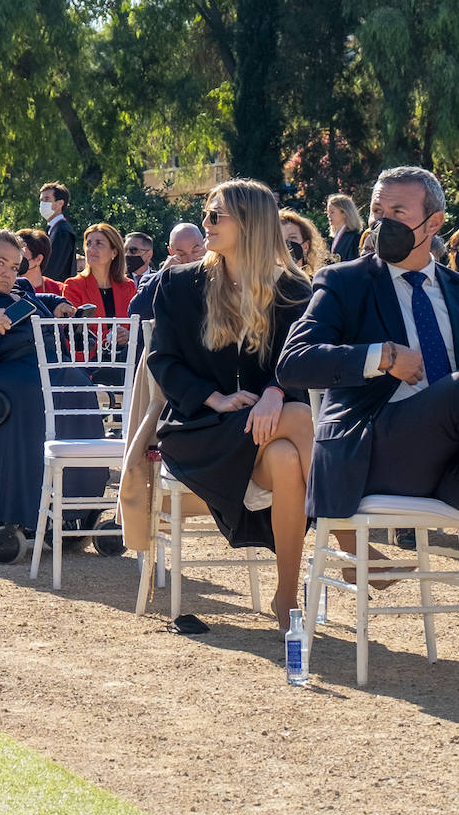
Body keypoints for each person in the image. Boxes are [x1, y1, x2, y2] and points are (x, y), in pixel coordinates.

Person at [277, 165, 459, 641]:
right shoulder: (344, 281)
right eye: (378, 211)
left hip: (454, 463)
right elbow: (294, 364)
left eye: (399, 212)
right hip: (376, 448)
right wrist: (378, 357)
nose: (384, 223)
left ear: (434, 223)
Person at [148, 180, 315, 625]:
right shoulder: (181, 283)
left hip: (263, 431)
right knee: (298, 417)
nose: (206, 223)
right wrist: (215, 398)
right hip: (198, 427)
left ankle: (286, 599)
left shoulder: (293, 290)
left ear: (250, 223)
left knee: (284, 457)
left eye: (215, 215)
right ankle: (348, 531)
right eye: (207, 214)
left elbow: (300, 364)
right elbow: (162, 360)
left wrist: (276, 391)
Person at [0, 229, 107, 544]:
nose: (7, 272)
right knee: (39, 393)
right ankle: (25, 512)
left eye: (14, 265)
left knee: (78, 384)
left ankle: (80, 504)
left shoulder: (20, 287)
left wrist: (58, 302)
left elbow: (38, 298)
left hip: (40, 363)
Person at [127, 223, 205, 321]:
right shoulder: (155, 280)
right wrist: (163, 274)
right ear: (171, 252)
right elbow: (136, 312)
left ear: (205, 245)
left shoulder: (216, 276)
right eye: (181, 254)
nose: (189, 260)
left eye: (195, 251)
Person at [62, 223, 138, 321]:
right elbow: (73, 331)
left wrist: (127, 334)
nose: (91, 249)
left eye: (99, 243)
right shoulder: (73, 286)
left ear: (114, 252)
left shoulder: (128, 287)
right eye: (88, 244)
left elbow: (136, 324)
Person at [38, 181, 75, 282]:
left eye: (47, 199)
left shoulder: (62, 231)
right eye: (41, 200)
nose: (42, 203)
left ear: (60, 203)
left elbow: (53, 269)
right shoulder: (52, 228)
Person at [279, 208, 331, 278]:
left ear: (305, 246)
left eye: (292, 237)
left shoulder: (315, 285)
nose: (285, 243)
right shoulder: (266, 285)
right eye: (279, 239)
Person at [15, 229, 64, 296]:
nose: (14, 263)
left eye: (20, 258)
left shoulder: (60, 291)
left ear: (38, 259)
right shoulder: (5, 288)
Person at [326, 193, 362, 262]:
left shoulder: (354, 238)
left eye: (332, 212)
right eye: (328, 212)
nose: (328, 216)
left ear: (344, 213)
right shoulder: (336, 237)